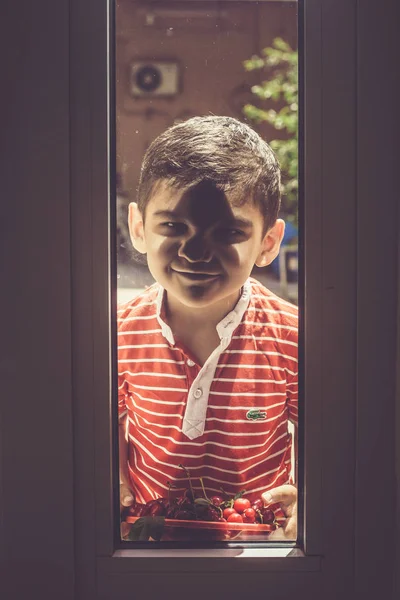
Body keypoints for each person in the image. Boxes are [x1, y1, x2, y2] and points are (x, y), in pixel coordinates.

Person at [118, 116, 298, 540]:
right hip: (148, 543)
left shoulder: (294, 337)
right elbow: (103, 423)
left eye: (229, 231)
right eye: (173, 227)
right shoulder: (115, 334)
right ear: (139, 227)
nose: (196, 251)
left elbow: (331, 437)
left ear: (268, 243)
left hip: (260, 550)